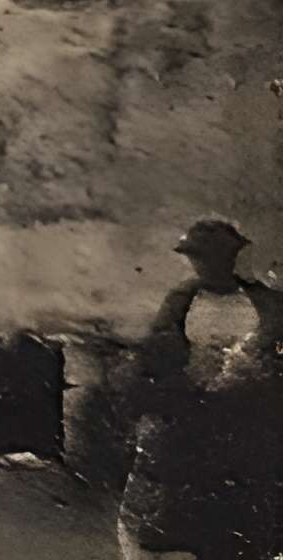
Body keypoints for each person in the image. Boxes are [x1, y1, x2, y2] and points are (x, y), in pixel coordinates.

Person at [117, 218, 283, 560]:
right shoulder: (182, 300)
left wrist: (248, 374)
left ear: (231, 258)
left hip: (246, 411)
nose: (202, 264)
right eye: (196, 257)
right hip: (192, 408)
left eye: (210, 257)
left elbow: (273, 354)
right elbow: (155, 352)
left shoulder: (264, 302)